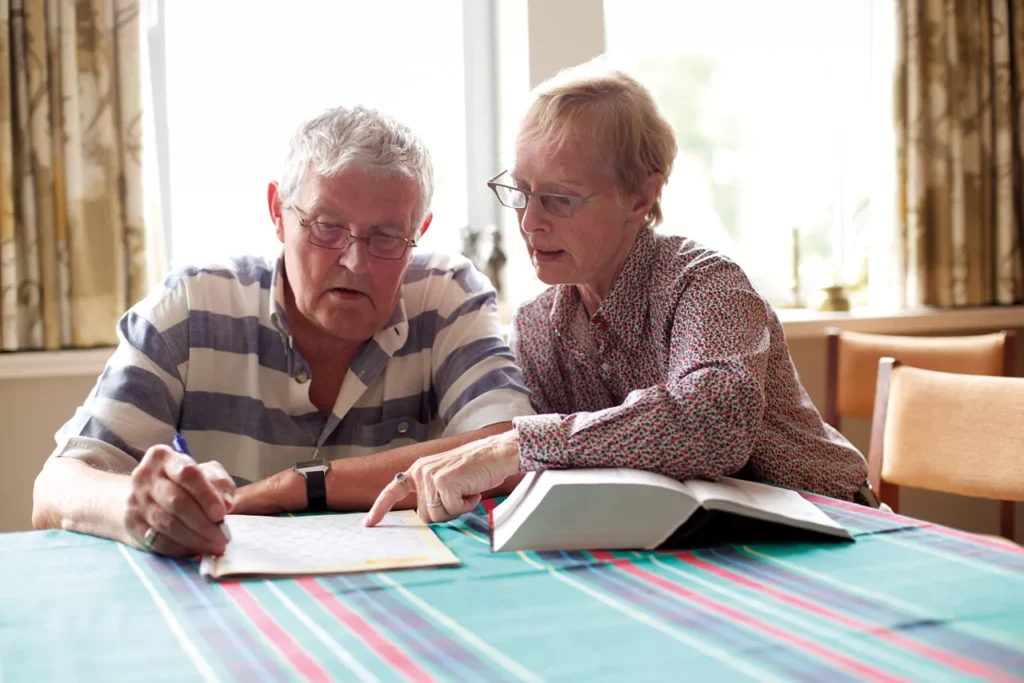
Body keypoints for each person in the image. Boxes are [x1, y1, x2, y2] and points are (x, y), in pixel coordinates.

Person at [366, 63, 872, 526]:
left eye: (559, 199)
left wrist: (517, 444)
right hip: (691, 542)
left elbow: (714, 424)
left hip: (834, 524)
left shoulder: (706, 284)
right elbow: (567, 470)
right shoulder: (539, 324)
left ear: (642, 196)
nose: (529, 221)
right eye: (521, 191)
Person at [32, 105, 534, 555]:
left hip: (405, 591)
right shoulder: (194, 304)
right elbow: (57, 487)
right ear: (277, 212)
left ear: (418, 235)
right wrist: (140, 506)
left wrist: (300, 487)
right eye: (326, 227)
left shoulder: (446, 294)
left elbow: (514, 449)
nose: (355, 262)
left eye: (386, 236)